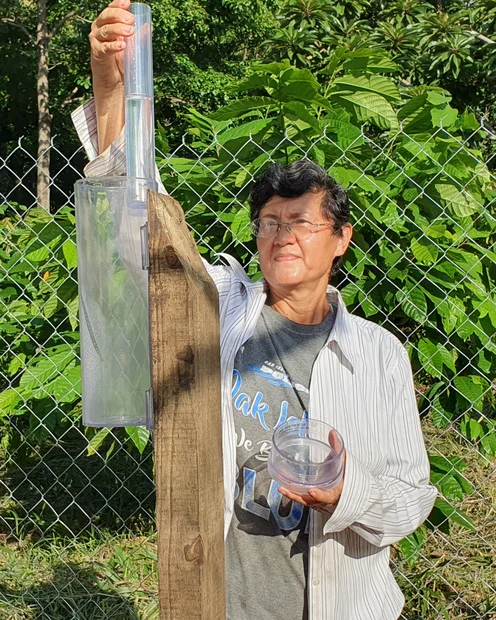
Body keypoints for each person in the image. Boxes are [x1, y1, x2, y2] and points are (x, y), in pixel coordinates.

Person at [72, 2, 438, 618]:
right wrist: (111, 92)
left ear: (341, 238)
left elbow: (412, 499)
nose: (282, 236)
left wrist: (342, 494)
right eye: (269, 222)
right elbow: (142, 229)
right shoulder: (220, 309)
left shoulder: (378, 354)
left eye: (301, 222)